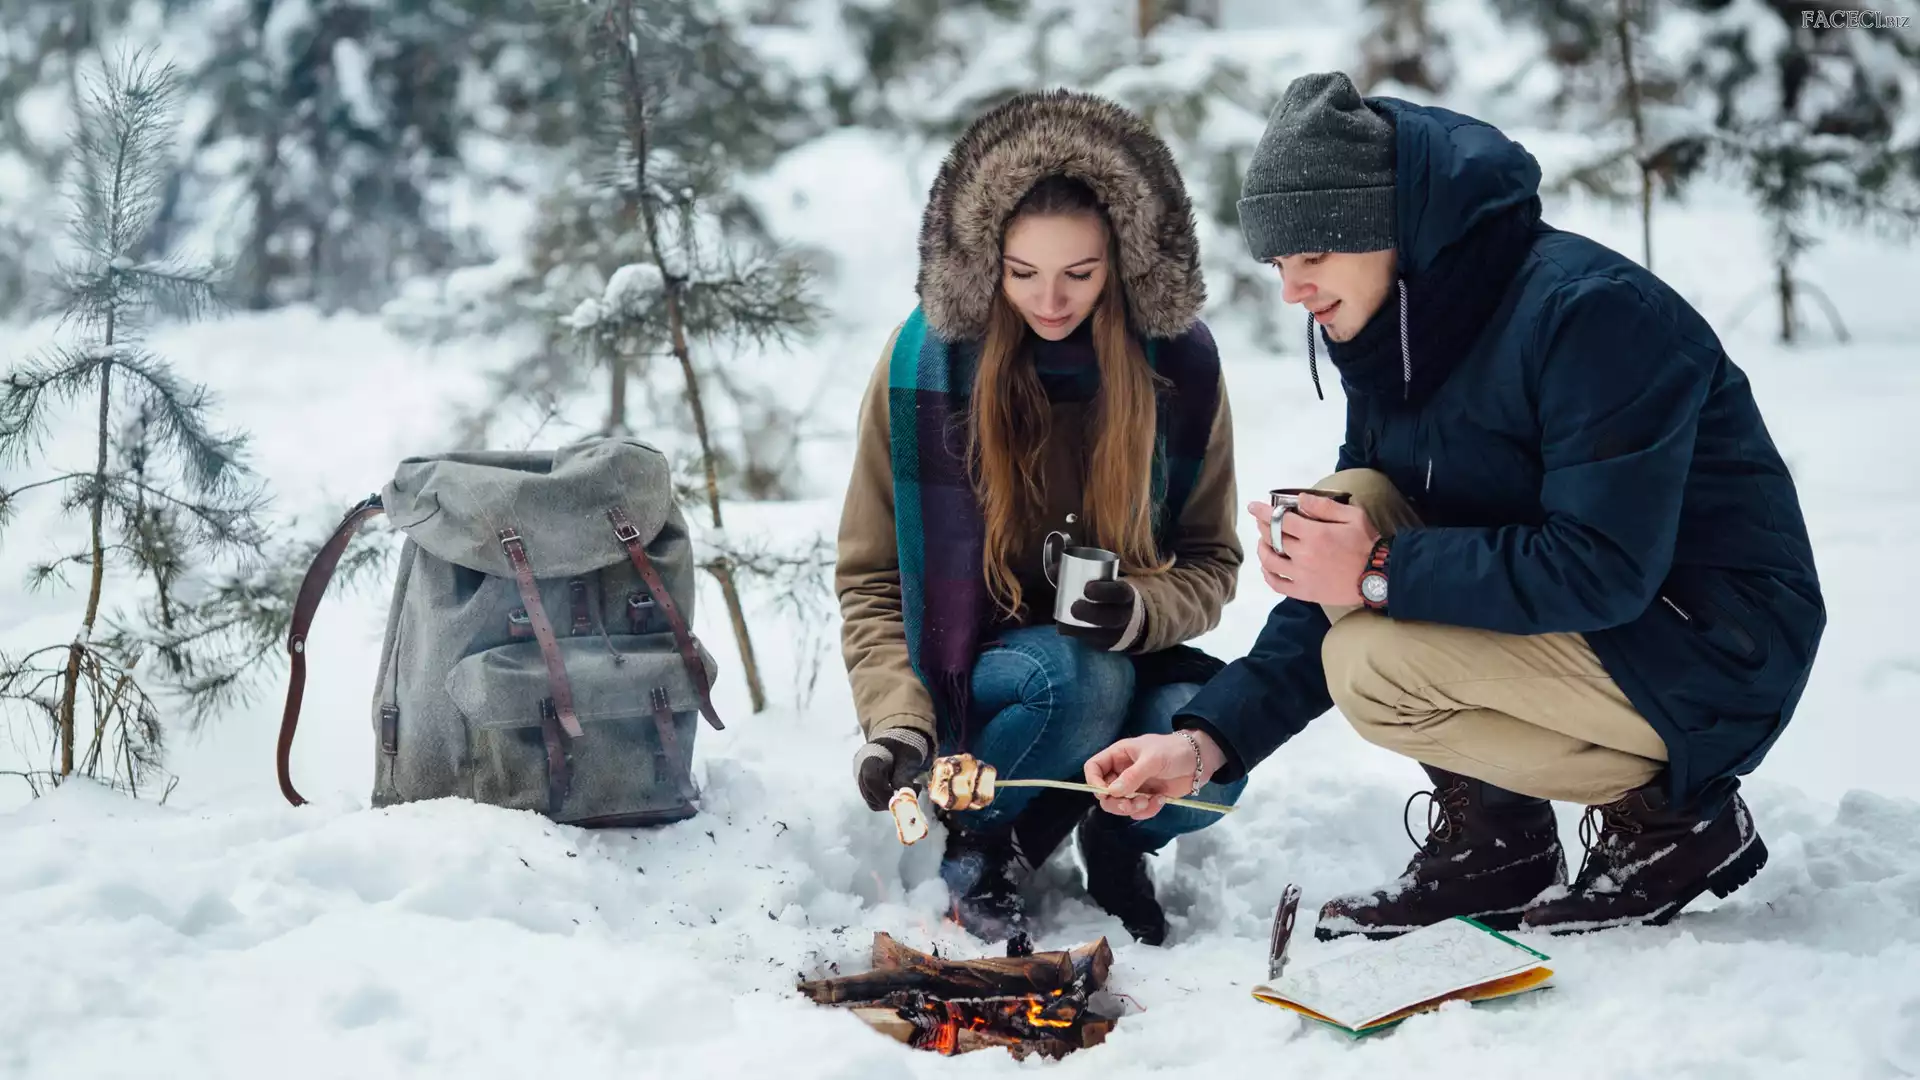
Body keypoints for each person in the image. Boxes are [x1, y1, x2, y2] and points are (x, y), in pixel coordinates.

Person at [1082, 72, 1824, 937]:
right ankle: (1498, 841)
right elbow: (1346, 567)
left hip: (1714, 646)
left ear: (1384, 229)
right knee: (1348, 504)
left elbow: (1606, 565)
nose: (1293, 290)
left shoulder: (1590, 316)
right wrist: (1204, 744)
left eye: (1312, 257)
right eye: (1280, 264)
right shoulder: (1397, 329)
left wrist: (1380, 568)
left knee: (1371, 662)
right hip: (1616, 634)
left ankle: (1672, 825)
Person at [835, 89, 1246, 946]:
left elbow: (1211, 561)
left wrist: (1140, 611)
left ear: (1124, 263)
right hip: (982, 684)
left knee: (1215, 753)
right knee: (1074, 675)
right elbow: (872, 574)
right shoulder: (927, 365)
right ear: (988, 260)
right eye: (1022, 274)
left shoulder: (1182, 369)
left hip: (1127, 657)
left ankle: (1114, 839)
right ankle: (983, 843)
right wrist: (897, 719)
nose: (1050, 301)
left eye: (1079, 275)